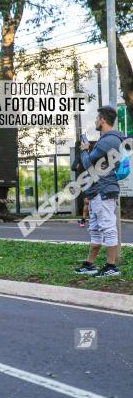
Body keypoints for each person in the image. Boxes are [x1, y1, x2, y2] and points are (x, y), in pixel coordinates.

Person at [75, 106, 126, 278]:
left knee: (108, 228)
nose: (96, 121)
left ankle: (111, 267)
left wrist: (84, 149)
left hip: (103, 189)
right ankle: (90, 264)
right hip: (97, 190)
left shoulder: (108, 140)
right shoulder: (110, 140)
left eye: (97, 118)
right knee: (95, 229)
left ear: (103, 120)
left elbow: (89, 164)